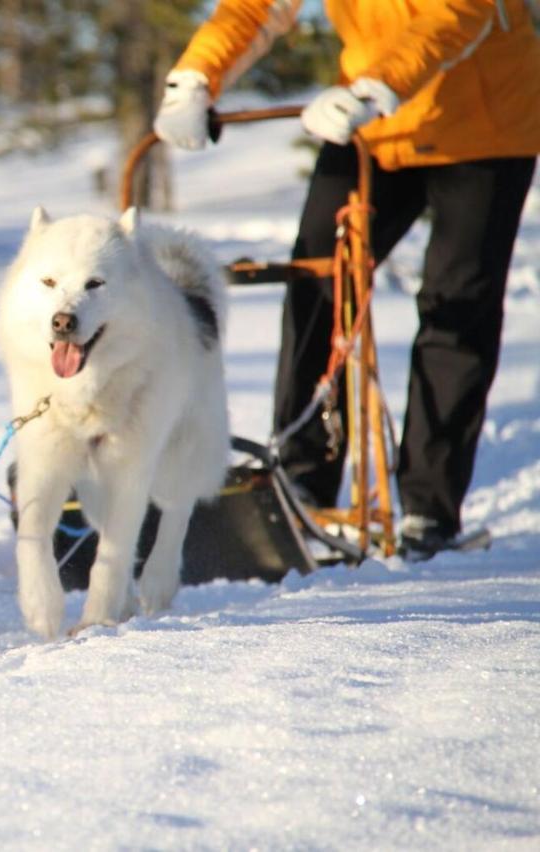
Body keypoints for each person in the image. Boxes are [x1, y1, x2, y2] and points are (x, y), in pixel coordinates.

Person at [151, 0, 540, 559]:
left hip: (485, 124)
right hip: (371, 125)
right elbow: (256, 8)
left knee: (456, 306)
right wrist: (194, 79)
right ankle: (305, 484)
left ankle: (430, 511)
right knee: (316, 279)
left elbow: (459, 13)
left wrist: (373, 87)